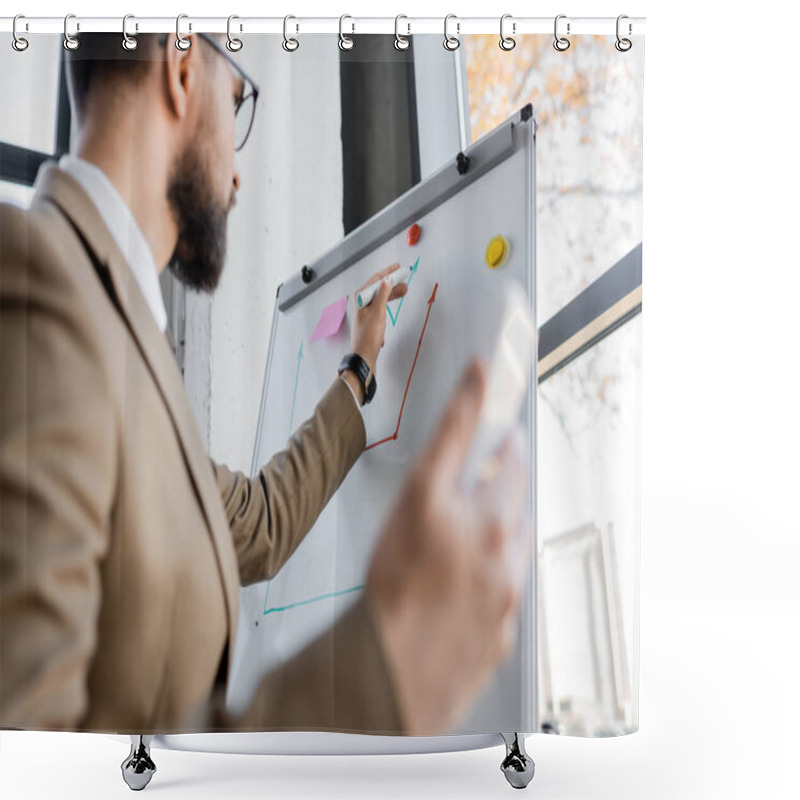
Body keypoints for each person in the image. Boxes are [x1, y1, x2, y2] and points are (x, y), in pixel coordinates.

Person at [0, 32, 528, 736]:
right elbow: (31, 751)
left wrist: (359, 370)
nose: (241, 179)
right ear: (182, 65)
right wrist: (388, 665)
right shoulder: (33, 277)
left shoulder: (117, 339)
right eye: (238, 98)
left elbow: (260, 522)